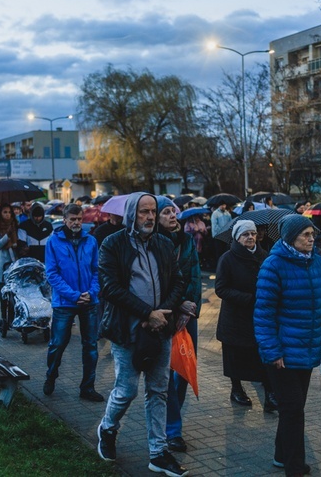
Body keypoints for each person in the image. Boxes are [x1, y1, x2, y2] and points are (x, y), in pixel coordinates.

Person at [96, 192, 187, 477]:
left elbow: (178, 281)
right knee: (127, 390)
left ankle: (158, 452)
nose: (149, 217)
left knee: (158, 390)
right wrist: (147, 314)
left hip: (161, 329)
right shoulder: (113, 244)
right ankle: (108, 428)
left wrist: (163, 314)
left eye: (152, 212)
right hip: (128, 330)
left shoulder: (163, 242)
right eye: (143, 212)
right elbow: (109, 288)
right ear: (131, 214)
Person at [254, 214, 321, 476]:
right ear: (290, 238)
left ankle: (282, 454)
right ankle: (294, 466)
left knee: (293, 408)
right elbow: (263, 314)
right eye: (305, 234)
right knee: (293, 410)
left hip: (306, 350)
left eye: (312, 234)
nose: (311, 238)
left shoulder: (318, 264)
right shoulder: (273, 266)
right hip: (281, 353)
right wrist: (272, 350)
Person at [43, 204, 103, 402]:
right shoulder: (54, 241)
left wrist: (92, 292)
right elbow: (52, 273)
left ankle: (87, 387)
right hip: (64, 302)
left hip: (89, 300)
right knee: (58, 343)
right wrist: (73, 295)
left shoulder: (91, 241)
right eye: (73, 219)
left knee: (91, 346)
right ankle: (51, 375)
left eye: (79, 219)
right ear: (65, 220)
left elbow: (96, 270)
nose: (77, 223)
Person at [215, 219, 277, 412]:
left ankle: (270, 395)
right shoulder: (227, 258)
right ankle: (236, 389)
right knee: (235, 355)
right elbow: (221, 289)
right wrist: (248, 298)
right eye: (245, 234)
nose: (250, 237)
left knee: (263, 356)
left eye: (252, 234)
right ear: (237, 237)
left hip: (259, 317)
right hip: (235, 317)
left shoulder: (264, 256)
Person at [156, 196, 201, 453]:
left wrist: (190, 305)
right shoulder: (153, 243)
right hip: (164, 314)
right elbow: (157, 284)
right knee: (164, 371)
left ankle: (170, 417)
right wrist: (176, 306)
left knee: (183, 370)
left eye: (173, 211)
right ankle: (173, 430)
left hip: (188, 315)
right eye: (165, 213)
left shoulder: (186, 241)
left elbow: (195, 275)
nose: (172, 216)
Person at [0, 204, 18, 320]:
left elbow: (18, 242)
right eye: (5, 212)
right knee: (3, 297)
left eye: (9, 212)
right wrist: (7, 235)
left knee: (13, 296)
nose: (8, 215)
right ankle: (4, 318)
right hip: (1, 263)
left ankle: (12, 319)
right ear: (0, 214)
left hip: (13, 262)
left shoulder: (15, 225)